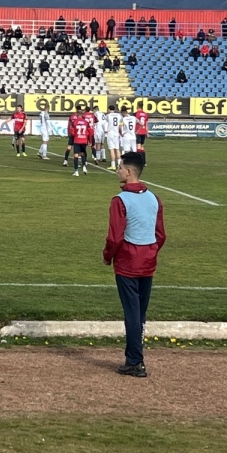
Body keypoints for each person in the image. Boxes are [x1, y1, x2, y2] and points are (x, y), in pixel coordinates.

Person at [102, 152, 166, 377]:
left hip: (128, 261)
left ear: (128, 172)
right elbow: (160, 234)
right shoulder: (154, 198)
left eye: (120, 167)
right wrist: (150, 252)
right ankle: (135, 357)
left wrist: (108, 255)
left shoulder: (119, 201)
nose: (118, 170)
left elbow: (115, 237)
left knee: (131, 312)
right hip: (148, 260)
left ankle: (135, 361)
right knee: (140, 312)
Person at [71, 111, 90, 176]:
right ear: (82, 115)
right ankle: (84, 167)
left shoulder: (75, 122)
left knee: (76, 155)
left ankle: (76, 172)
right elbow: (88, 132)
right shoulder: (86, 122)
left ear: (77, 115)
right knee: (83, 154)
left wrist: (76, 135)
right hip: (84, 140)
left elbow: (72, 132)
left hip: (77, 140)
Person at [105, 105, 122, 170]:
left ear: (109, 109)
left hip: (110, 133)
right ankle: (119, 164)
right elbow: (120, 124)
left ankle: (113, 165)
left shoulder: (108, 116)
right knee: (117, 149)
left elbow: (105, 123)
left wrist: (106, 130)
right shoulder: (119, 115)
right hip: (116, 133)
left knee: (111, 149)